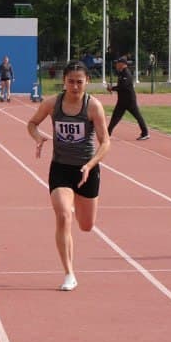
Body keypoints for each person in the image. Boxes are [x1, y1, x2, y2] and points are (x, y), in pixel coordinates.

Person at [26, 60, 112, 291]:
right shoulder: (53, 104)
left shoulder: (93, 107)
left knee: (86, 225)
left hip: (86, 170)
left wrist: (91, 164)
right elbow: (32, 123)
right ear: (64, 81)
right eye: (71, 81)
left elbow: (105, 142)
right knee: (64, 215)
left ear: (87, 82)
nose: (75, 86)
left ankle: (78, 202)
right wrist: (38, 137)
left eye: (79, 82)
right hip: (61, 168)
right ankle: (69, 273)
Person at [105, 56, 149, 140]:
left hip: (129, 100)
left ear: (122, 64)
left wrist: (112, 88)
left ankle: (145, 133)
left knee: (137, 116)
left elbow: (123, 87)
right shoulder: (121, 73)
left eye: (118, 63)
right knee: (115, 116)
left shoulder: (126, 73)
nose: (116, 65)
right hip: (122, 100)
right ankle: (108, 133)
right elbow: (121, 87)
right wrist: (112, 88)